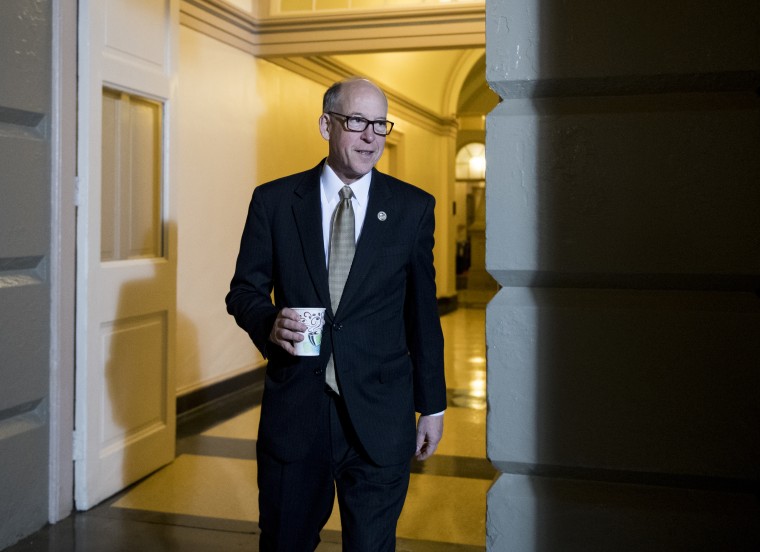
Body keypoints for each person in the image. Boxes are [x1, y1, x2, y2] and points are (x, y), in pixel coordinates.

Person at [225, 77, 446, 551]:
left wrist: (433, 404)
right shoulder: (276, 202)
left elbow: (422, 315)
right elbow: (243, 290)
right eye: (357, 122)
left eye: (380, 125)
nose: (371, 136)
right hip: (298, 413)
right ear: (327, 124)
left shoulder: (411, 208)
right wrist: (268, 323)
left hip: (381, 416)